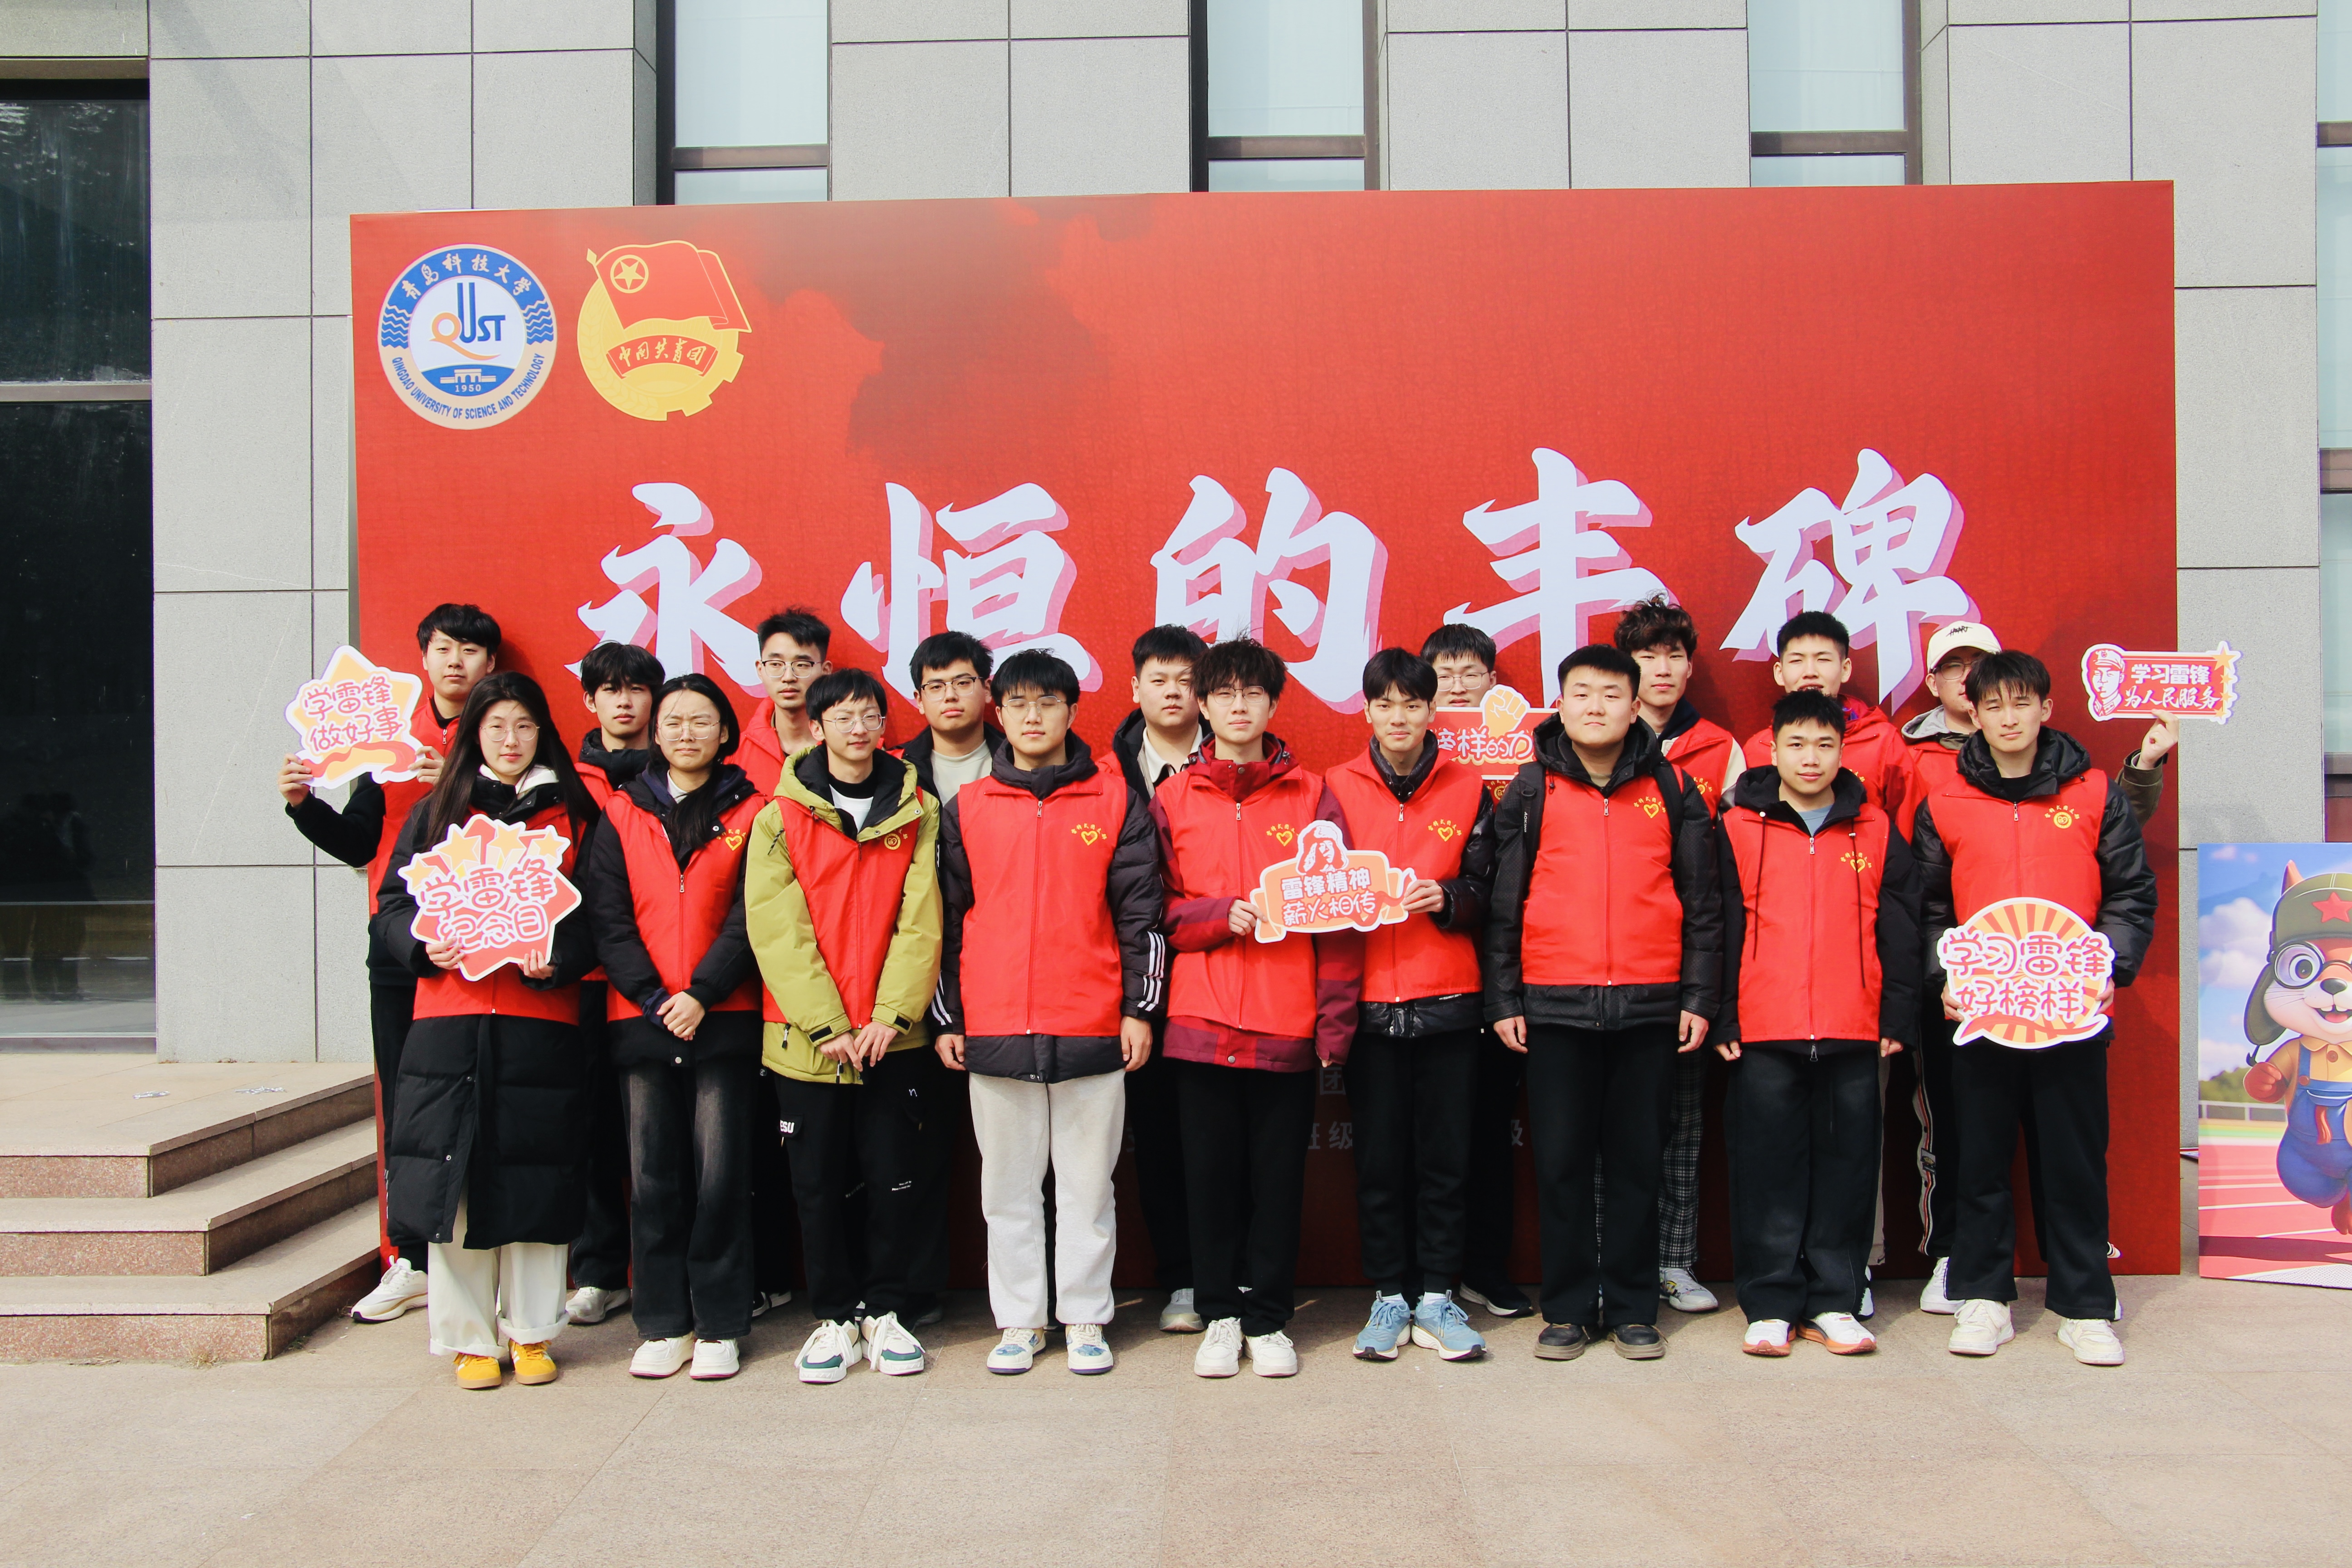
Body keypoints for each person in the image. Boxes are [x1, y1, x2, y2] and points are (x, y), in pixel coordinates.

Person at [1898, 624, 2175, 1316]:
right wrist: (1945, 978)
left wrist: (2109, 967)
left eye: (2022, 703)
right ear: (1974, 713)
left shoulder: (2094, 793)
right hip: (1983, 1013)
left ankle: (2085, 1304)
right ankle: (1982, 1299)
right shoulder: (1946, 802)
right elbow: (1929, 907)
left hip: (2072, 1011)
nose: (2009, 718)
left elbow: (2131, 893)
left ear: (2046, 708)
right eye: (1994, 706)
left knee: (2073, 1160)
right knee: (1979, 1160)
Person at [1485, 645, 1720, 1362]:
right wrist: (1504, 997)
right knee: (1559, 1166)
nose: (1596, 707)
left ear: (1635, 705)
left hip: (1650, 1007)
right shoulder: (1532, 789)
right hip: (1554, 1006)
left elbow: (1704, 903)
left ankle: (1632, 1309)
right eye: (1581, 693)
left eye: (1611, 695)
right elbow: (1504, 904)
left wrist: (1699, 995)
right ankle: (1566, 1310)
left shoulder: (1672, 787)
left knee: (1635, 1165)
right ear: (1560, 704)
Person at [931, 650, 1164, 1375]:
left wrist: (1139, 1009)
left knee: (1089, 1188)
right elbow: (945, 924)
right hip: (995, 1023)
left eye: (1048, 703)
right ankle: (1021, 1321)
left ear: (1072, 710)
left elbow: (1142, 917)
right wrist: (949, 1018)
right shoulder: (967, 808)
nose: (1033, 717)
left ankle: (1087, 1316)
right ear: (998, 713)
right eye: (1019, 704)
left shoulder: (1115, 800)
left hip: (1091, 1020)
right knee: (1007, 1191)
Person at [371, 671, 602, 1389]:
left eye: (525, 726)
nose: (511, 740)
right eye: (496, 726)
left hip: (540, 1019)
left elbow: (602, 914)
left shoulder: (573, 813)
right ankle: (469, 1338)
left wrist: (559, 960)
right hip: (450, 1018)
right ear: (474, 733)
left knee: (536, 1176)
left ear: (543, 733)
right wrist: (421, 945)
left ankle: (532, 1332)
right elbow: (390, 908)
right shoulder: (438, 810)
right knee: (456, 1181)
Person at [277, 602, 495, 1326]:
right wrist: (304, 805)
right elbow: (358, 842)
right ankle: (411, 1258)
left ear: (491, 663)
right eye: (444, 648)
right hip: (403, 944)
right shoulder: (388, 739)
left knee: (487, 1098)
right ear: (423, 657)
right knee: (404, 1100)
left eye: (470, 650)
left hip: (485, 945)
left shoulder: (504, 733)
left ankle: (487, 1255)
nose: (456, 662)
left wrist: (462, 786)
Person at [1153, 637, 1361, 1379]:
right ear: (1203, 706)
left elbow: (1339, 916)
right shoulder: (1173, 797)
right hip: (1199, 1020)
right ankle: (1218, 1314)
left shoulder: (1313, 796)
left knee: (1277, 1183)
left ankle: (1269, 1318)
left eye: (1252, 693)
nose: (1238, 706)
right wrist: (1216, 915)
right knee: (1207, 1180)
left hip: (1285, 1019)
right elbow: (1154, 911)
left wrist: (1334, 1022)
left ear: (1273, 705)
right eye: (1224, 693)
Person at [744, 667, 945, 1384]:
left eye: (870, 716)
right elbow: (776, 929)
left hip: (894, 1040)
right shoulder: (779, 816)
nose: (858, 729)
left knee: (896, 1181)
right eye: (843, 717)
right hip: (809, 1042)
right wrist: (828, 1023)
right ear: (817, 726)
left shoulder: (919, 809)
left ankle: (888, 1310)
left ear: (885, 727)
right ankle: (833, 1316)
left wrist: (891, 1016)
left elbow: (921, 920)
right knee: (817, 1187)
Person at [1715, 691, 1919, 1357]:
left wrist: (1897, 1013)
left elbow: (1901, 928)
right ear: (1772, 750)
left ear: (1842, 753)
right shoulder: (1736, 827)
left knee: (1847, 1168)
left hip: (1852, 1025)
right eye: (1797, 745)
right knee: (1766, 1170)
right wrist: (1722, 1014)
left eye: (1825, 745)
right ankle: (1771, 1304)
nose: (1811, 758)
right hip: (1762, 1026)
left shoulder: (1876, 828)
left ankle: (1834, 1301)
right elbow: (1716, 927)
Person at [585, 674, 766, 1382]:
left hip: (725, 1016)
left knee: (722, 1178)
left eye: (702, 721)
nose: (686, 733)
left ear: (725, 734)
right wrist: (658, 997)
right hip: (642, 1019)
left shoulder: (754, 810)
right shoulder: (622, 811)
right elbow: (608, 918)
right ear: (655, 734)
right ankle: (663, 1323)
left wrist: (703, 993)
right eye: (674, 721)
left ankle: (720, 1323)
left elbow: (754, 914)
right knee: (653, 1179)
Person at [1327, 649, 1496, 1362]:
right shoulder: (1334, 788)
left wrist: (1450, 898)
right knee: (1379, 1162)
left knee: (1446, 1162)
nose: (1399, 718)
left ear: (1433, 711)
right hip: (1367, 1006)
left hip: (1449, 1001)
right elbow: (1316, 888)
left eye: (1413, 704)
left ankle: (1437, 1296)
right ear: (1367, 711)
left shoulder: (1470, 787)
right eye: (1386, 704)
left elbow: (1493, 888)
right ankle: (1389, 1295)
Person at [1614, 595, 1740, 1318]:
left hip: (1686, 959)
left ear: (1690, 667)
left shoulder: (1721, 749)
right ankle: (1613, 1260)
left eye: (1674, 656)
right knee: (1611, 1129)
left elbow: (1732, 871)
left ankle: (1674, 1260)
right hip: (1610, 963)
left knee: (1682, 1122)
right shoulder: (1594, 738)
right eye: (1647, 656)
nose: (1661, 669)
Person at [1421, 622, 1533, 1318]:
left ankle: (1485, 1268)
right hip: (1438, 972)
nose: (1459, 686)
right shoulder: (1411, 762)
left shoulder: (1529, 754)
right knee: (1433, 1136)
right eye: (1445, 675)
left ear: (1493, 681)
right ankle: (1423, 1275)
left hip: (1515, 969)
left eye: (1472, 673)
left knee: (1492, 1130)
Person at [892, 629, 1002, 1328]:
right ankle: (918, 1289)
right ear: (918, 698)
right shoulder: (895, 774)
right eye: (936, 686)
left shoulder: (1025, 758)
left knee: (1021, 1158)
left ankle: (1028, 1297)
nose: (951, 696)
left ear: (987, 691)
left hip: (1007, 976)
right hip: (916, 979)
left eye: (964, 682)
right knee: (920, 1146)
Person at [1110, 624, 1211, 1333]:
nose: (1173, 692)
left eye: (1186, 680)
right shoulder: (1104, 773)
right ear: (1136, 688)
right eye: (1159, 680)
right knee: (1158, 1137)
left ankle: (1229, 1271)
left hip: (1218, 977)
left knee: (1220, 1139)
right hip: (1133, 988)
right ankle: (1181, 1277)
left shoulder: (1240, 760)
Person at [563, 640, 662, 1330]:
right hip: (585, 979)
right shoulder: (564, 780)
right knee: (593, 1125)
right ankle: (599, 1271)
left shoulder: (677, 768)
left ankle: (664, 1274)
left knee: (660, 1136)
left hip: (663, 980)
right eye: (610, 690)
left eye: (636, 688)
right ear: (590, 700)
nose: (624, 702)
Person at [1739, 612, 1908, 814]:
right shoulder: (1758, 749)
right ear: (1779, 672)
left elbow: (1907, 824)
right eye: (1797, 661)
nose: (1810, 672)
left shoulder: (1883, 742)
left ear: (1845, 669)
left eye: (1823, 659)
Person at [739, 608, 832, 797]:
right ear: (760, 670)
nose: (788, 677)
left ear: (826, 671)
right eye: (776, 664)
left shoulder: (850, 746)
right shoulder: (735, 754)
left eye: (802, 665)